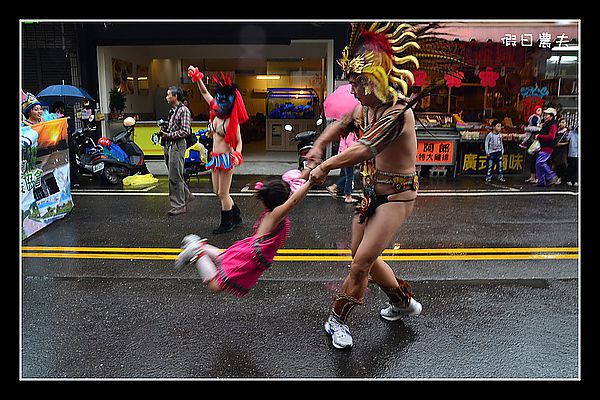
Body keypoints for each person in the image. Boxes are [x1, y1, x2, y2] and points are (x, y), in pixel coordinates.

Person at [306, 22, 462, 349]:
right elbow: (342, 124)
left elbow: (364, 149)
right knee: (362, 256)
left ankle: (337, 320)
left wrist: (325, 166)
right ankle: (403, 303)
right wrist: (319, 146)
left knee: (361, 262)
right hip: (369, 196)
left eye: (357, 83)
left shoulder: (397, 111)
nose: (353, 90)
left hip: (396, 197)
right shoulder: (367, 106)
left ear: (375, 79)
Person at [175, 170, 314, 296]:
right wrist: (310, 183)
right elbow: (294, 201)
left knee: (223, 258)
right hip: (250, 256)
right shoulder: (276, 215)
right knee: (215, 286)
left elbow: (292, 200)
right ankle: (197, 251)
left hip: (250, 249)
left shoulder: (272, 214)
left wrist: (311, 170)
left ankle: (200, 246)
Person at [188, 66, 248, 234]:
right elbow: (205, 93)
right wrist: (197, 77)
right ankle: (236, 216)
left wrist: (237, 154)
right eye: (219, 99)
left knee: (223, 193)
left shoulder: (231, 121)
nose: (219, 103)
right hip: (215, 157)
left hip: (227, 158)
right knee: (217, 192)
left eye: (223, 101)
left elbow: (239, 142)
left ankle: (227, 223)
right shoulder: (216, 111)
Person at [161, 86, 193, 215]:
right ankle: (187, 195)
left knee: (174, 176)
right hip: (169, 145)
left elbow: (186, 131)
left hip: (177, 145)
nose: (167, 97)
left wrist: (169, 135)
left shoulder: (183, 110)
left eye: (168, 94)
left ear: (175, 97)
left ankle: (179, 205)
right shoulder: (172, 111)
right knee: (175, 173)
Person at [326, 130, 359, 203]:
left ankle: (336, 188)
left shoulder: (344, 131)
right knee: (349, 176)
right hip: (349, 156)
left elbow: (342, 144)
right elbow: (351, 144)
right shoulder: (351, 133)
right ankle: (347, 196)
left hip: (343, 154)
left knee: (345, 175)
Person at [534, 107, 560, 186]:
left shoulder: (553, 125)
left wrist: (539, 136)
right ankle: (541, 181)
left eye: (547, 115)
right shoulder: (547, 124)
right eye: (544, 114)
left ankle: (551, 175)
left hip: (548, 146)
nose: (545, 116)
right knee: (538, 163)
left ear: (551, 116)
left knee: (540, 162)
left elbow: (551, 136)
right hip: (544, 146)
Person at [521, 106, 543, 183]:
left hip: (535, 141)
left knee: (535, 159)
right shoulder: (535, 118)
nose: (540, 112)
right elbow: (534, 127)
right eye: (538, 110)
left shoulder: (535, 118)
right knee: (533, 159)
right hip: (534, 141)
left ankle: (535, 176)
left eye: (540, 110)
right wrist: (539, 127)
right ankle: (533, 176)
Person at [551, 117, 570, 183]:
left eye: (563, 122)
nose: (561, 124)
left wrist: (560, 144)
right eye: (560, 122)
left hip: (563, 150)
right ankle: (557, 177)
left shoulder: (566, 132)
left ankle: (561, 178)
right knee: (556, 163)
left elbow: (568, 142)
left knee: (562, 163)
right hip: (556, 150)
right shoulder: (557, 131)